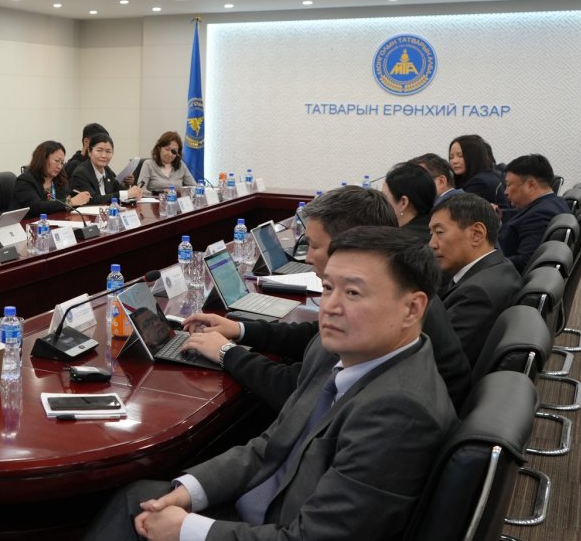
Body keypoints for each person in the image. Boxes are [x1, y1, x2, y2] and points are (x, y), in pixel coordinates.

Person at [87, 226, 458, 541]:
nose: (330, 306)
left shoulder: (401, 410)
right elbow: (270, 446)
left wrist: (188, 530)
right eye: (328, 287)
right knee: (136, 498)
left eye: (353, 293)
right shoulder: (337, 352)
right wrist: (189, 492)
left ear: (412, 308)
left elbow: (312, 537)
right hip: (263, 509)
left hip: (282, 527)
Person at [180, 186, 470, 413]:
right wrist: (240, 329)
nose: (307, 257)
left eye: (314, 245)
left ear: (350, 244)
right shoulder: (395, 284)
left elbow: (299, 389)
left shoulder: (389, 309)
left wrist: (226, 352)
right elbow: (315, 336)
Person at [430, 193, 523, 364]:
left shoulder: (477, 293)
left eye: (439, 232)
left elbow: (439, 359)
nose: (432, 244)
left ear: (477, 234)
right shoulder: (498, 267)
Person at [498, 154, 569, 273]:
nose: (506, 192)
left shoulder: (540, 216)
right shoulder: (553, 202)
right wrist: (500, 215)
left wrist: (482, 263)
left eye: (509, 185)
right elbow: (523, 216)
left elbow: (525, 262)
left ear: (531, 185)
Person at [13, 141, 92, 217]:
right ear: (43, 159)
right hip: (29, 224)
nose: (60, 166)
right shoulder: (25, 180)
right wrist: (70, 202)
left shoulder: (59, 178)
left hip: (55, 222)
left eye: (62, 162)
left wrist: (82, 197)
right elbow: (36, 207)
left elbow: (66, 197)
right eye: (56, 161)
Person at [69, 133, 142, 205]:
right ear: (89, 152)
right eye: (99, 150)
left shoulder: (107, 170)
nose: (104, 155)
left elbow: (119, 189)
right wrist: (126, 194)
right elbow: (92, 200)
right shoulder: (81, 173)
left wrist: (134, 193)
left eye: (108, 151)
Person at [381, 161, 436, 242]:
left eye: (384, 198)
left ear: (403, 203)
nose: (380, 203)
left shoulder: (398, 241)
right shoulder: (437, 230)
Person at [448, 134, 507, 207]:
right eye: (451, 157)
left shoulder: (480, 183)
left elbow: (458, 210)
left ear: (474, 156)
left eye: (460, 156)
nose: (454, 161)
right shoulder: (486, 175)